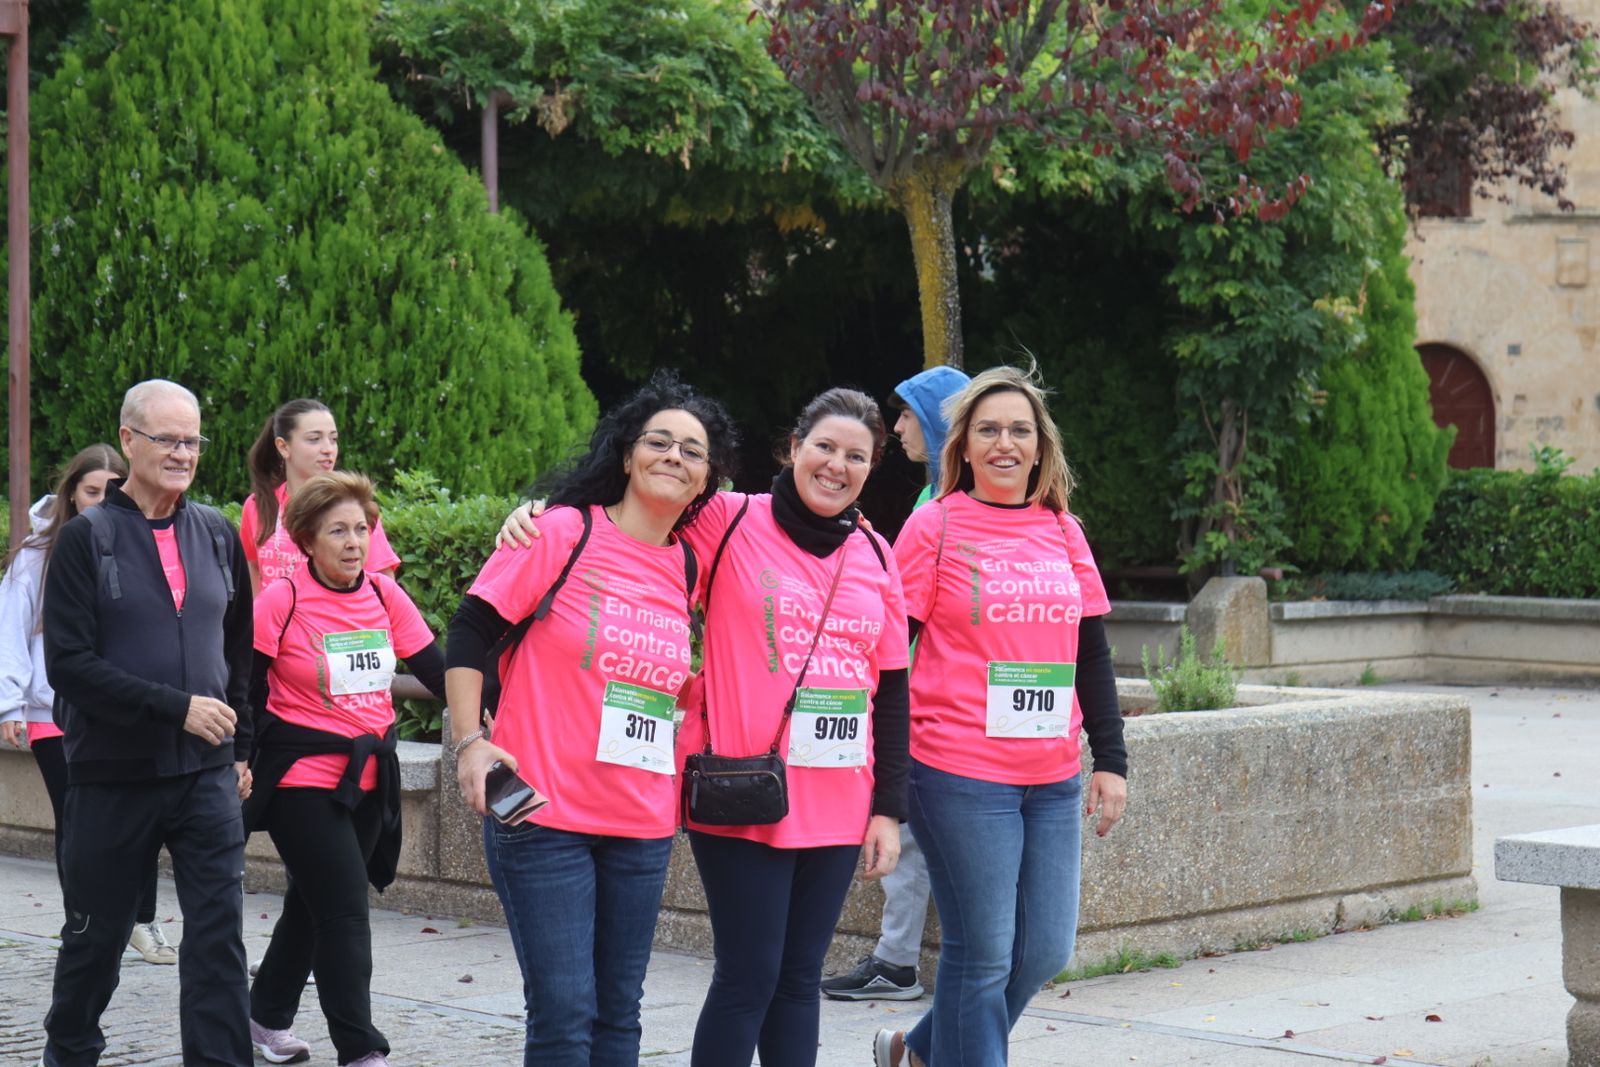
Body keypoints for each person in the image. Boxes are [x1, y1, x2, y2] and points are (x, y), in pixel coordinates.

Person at [499, 386, 911, 1067]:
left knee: (799, 978)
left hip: (840, 797)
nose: (837, 465)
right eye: (824, 447)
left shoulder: (875, 552)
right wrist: (546, 513)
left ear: (872, 468)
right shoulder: (725, 517)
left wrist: (889, 808)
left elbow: (891, 688)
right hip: (740, 788)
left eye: (856, 456)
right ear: (793, 447)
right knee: (749, 974)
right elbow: (630, 521)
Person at [447, 370, 739, 1066]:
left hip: (640, 823)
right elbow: (468, 630)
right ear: (627, 453)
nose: (674, 456)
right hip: (544, 815)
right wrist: (469, 743)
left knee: (619, 1017)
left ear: (707, 480)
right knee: (565, 1015)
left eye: (692, 451)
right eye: (659, 441)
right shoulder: (560, 533)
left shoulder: (692, 563)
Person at [874, 364, 1128, 1067]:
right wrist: (884, 777)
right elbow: (891, 656)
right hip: (956, 769)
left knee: (1044, 948)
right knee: (981, 954)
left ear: (1041, 446)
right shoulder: (935, 524)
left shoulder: (1062, 530)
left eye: (1020, 429)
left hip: (1050, 773)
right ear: (963, 443)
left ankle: (917, 1052)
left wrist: (1111, 759)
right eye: (988, 429)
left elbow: (1090, 649)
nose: (1005, 442)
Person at [41, 379, 255, 1067]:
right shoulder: (85, 538)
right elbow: (69, 666)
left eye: (193, 439)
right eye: (168, 439)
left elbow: (238, 655)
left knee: (219, 937)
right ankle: (68, 1053)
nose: (183, 452)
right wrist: (176, 706)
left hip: (207, 777)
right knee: (95, 940)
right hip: (112, 775)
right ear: (129, 441)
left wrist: (241, 747)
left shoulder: (217, 533)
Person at [240, 471, 444, 1067]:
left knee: (313, 903)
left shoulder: (383, 595)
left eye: (361, 529)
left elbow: (436, 668)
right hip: (301, 780)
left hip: (369, 780)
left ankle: (264, 1015)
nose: (354, 542)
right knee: (345, 909)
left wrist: (495, 707)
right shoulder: (283, 599)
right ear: (306, 539)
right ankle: (361, 1050)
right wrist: (237, 760)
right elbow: (247, 687)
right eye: (338, 531)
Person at [1, 445, 182, 967]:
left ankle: (141, 920)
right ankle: (81, 919)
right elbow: (11, 630)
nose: (101, 500)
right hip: (52, 712)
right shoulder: (38, 555)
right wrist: (10, 704)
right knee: (76, 823)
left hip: (127, 708)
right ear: (71, 493)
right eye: (91, 490)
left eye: (110, 489)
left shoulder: (140, 542)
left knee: (143, 819)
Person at [821, 365, 967, 1004]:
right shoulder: (931, 496)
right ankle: (899, 959)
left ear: (936, 422)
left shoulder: (942, 505)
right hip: (923, 691)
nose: (898, 425)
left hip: (927, 696)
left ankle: (898, 962)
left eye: (908, 413)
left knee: (905, 831)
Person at [241, 399, 401, 595]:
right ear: (283, 447)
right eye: (314, 439)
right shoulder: (257, 505)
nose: (328, 449)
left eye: (333, 439)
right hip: (276, 623)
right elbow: (254, 567)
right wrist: (258, 618)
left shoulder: (352, 505)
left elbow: (383, 580)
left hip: (337, 623)